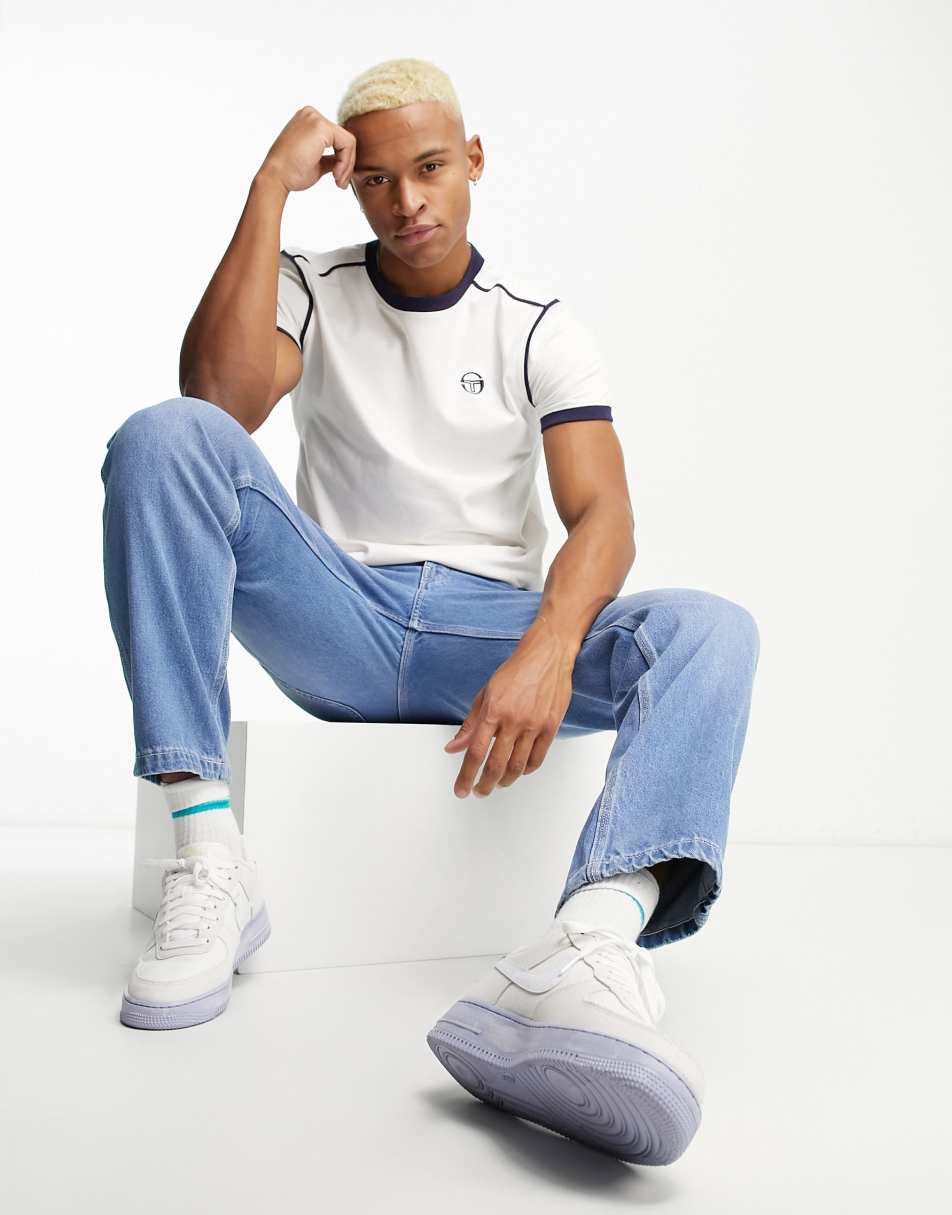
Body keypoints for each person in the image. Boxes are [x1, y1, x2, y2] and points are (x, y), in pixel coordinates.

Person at [99, 57, 759, 1166]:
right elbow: (217, 406)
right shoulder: (311, 285)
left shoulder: (537, 327)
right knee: (164, 437)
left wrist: (548, 648)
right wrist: (268, 187)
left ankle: (586, 947)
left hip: (484, 634)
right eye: (376, 180)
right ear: (347, 185)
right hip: (337, 609)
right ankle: (209, 856)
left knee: (711, 630)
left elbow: (604, 517)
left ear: (474, 161)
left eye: (432, 168)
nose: (406, 201)